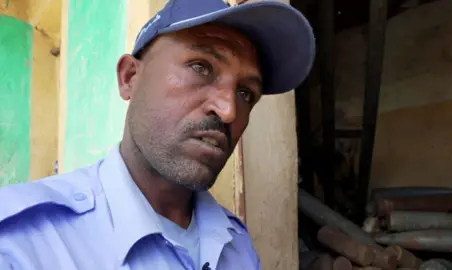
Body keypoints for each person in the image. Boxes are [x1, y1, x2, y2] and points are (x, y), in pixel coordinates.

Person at [0, 0, 315, 269]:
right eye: (201, 67)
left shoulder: (237, 245)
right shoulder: (23, 242)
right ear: (130, 78)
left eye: (246, 93)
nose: (228, 111)